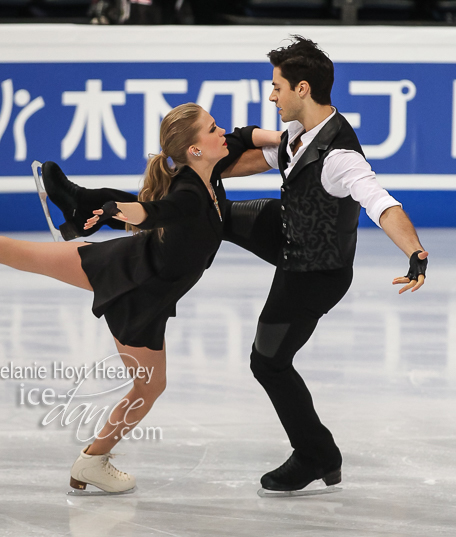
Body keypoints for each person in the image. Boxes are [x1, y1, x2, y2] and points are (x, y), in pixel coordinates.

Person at [37, 36, 429, 495]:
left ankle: (316, 454)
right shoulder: (299, 136)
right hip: (284, 229)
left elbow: (383, 204)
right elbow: (243, 159)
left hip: (313, 271)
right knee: (207, 208)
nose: (271, 95)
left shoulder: (340, 158)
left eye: (277, 87)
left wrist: (415, 252)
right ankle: (84, 204)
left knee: (268, 363)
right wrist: (202, 167)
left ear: (302, 89)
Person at [0, 102, 280, 495]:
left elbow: (244, 136)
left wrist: (281, 137)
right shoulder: (192, 192)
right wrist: (117, 210)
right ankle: (92, 460)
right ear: (194, 149)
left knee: (19, 254)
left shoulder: (210, 173)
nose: (221, 132)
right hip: (135, 288)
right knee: (147, 387)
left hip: (127, 270)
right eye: (212, 129)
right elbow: (153, 212)